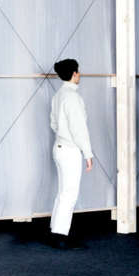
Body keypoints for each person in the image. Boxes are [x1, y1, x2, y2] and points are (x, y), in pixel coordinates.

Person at [49, 58, 93, 249]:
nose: (80, 74)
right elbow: (79, 129)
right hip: (70, 150)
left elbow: (53, 123)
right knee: (70, 194)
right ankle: (60, 235)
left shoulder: (58, 95)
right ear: (74, 73)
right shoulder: (73, 97)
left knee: (62, 193)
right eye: (79, 71)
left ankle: (56, 230)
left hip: (59, 147)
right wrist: (88, 153)